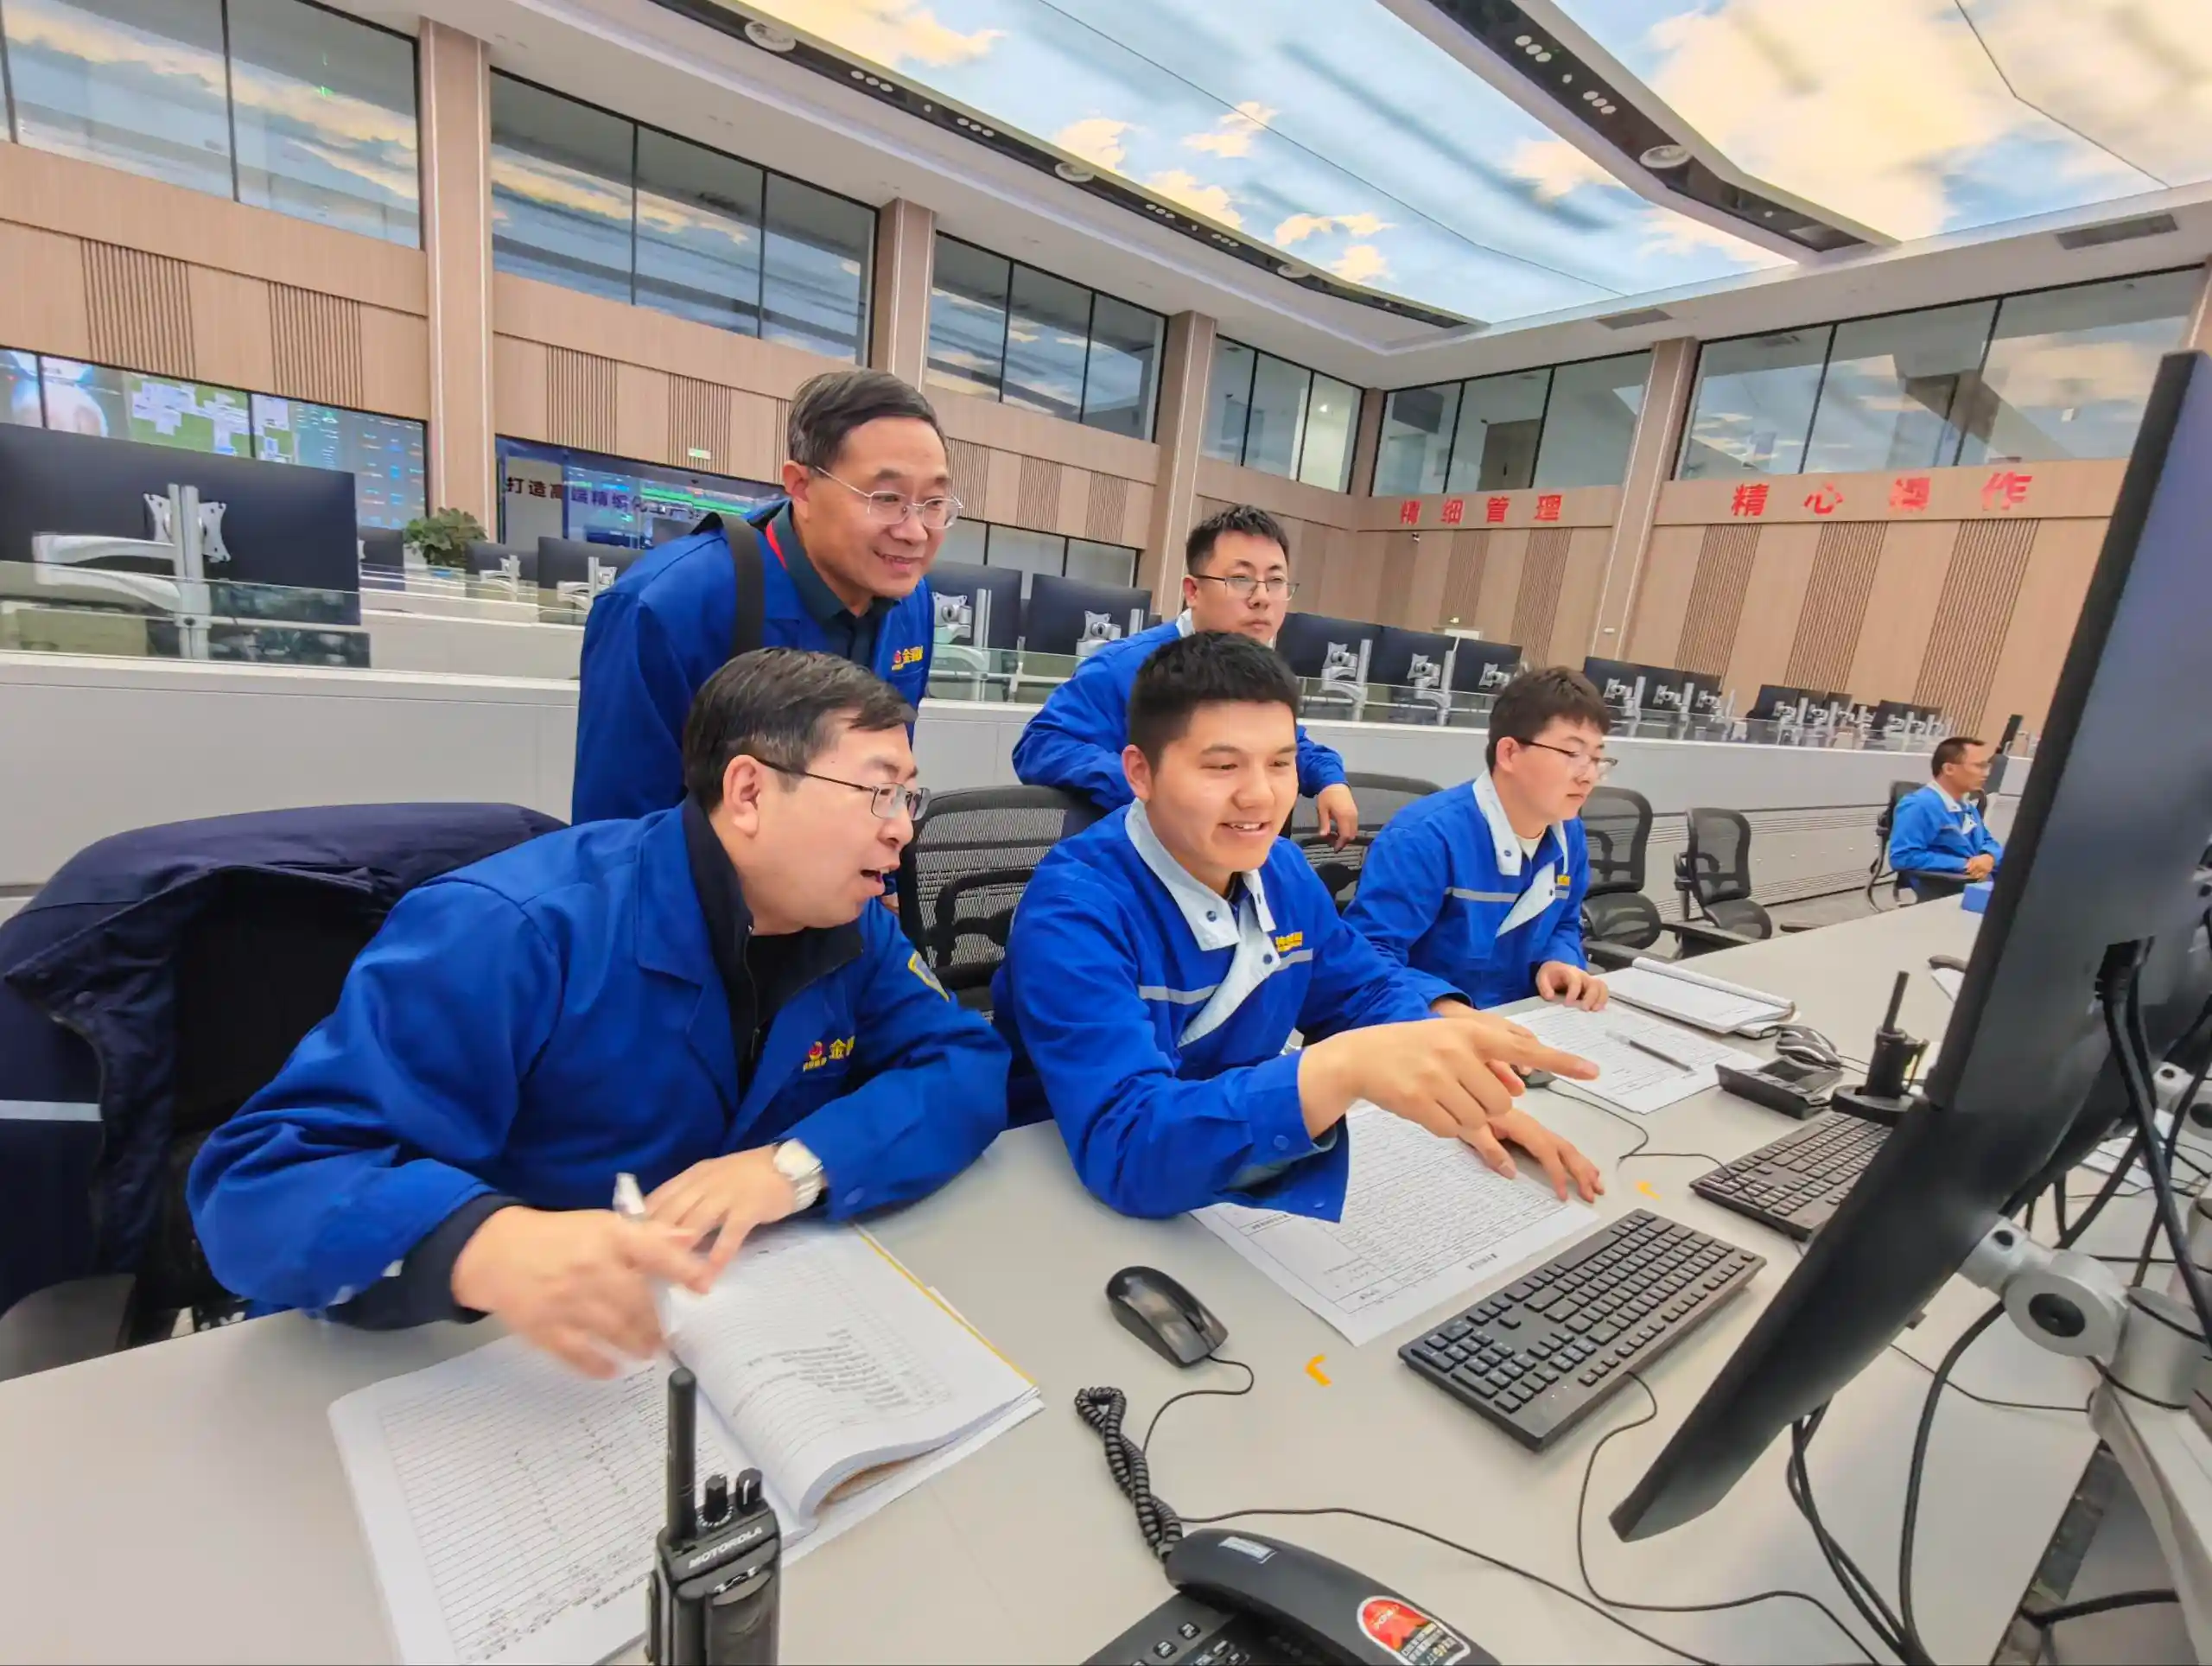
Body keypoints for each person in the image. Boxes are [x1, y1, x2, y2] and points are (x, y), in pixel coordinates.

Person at [190, 651, 1008, 1377]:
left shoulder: (850, 926)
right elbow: (256, 1186)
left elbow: (964, 1065)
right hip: (478, 1354)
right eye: (878, 793)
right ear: (750, 791)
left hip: (709, 1328)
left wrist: (793, 1167)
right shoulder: (513, 930)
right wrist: (482, 1243)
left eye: (909, 797)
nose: (903, 831)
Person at [994, 633, 1602, 1221]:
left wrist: (1450, 1070)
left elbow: (1362, 991)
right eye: (1223, 766)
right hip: (1055, 1193)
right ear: (1140, 772)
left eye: (1282, 764)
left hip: (1225, 1160)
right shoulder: (1075, 911)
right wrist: (1337, 1070)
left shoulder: (1280, 870)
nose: (1260, 797)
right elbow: (1127, 1144)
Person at [571, 370, 951, 824]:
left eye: (933, 503)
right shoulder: (666, 607)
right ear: (802, 487)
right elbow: (620, 831)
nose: (915, 532)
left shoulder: (911, 600)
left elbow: (888, 776)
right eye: (887, 498)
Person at [1011, 504, 1361, 848]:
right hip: (1127, 860)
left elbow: (1286, 743)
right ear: (1193, 591)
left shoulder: (1258, 670)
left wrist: (1329, 779)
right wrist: (1151, 788)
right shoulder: (1123, 666)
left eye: (1275, 580)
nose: (1262, 598)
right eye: (1240, 579)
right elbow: (1041, 744)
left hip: (1234, 860)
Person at [1345, 666, 1611, 1012]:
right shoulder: (1425, 837)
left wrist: (1558, 961)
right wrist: (1446, 1006)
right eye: (1572, 754)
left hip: (1520, 1021)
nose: (1589, 776)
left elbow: (1565, 922)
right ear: (1510, 753)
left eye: (1597, 758)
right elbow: (1369, 955)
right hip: (1421, 1027)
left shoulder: (1568, 834)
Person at [1890, 735, 2003, 883]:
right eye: (1979, 766)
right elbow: (1903, 857)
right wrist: (1966, 864)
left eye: (1986, 766)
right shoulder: (1919, 805)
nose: (1986, 773)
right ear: (1949, 769)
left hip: (1976, 880)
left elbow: (1987, 841)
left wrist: (1989, 857)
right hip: (1950, 883)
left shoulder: (1965, 805)